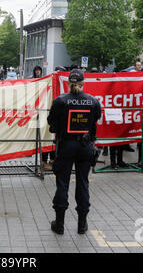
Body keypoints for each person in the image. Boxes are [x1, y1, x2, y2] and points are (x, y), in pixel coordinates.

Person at [47, 69, 101, 235]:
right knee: (83, 183)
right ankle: (82, 224)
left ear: (69, 82)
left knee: (62, 182)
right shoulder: (93, 101)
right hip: (85, 147)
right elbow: (94, 125)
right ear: (83, 83)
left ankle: (60, 223)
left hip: (66, 145)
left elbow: (52, 124)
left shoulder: (60, 101)